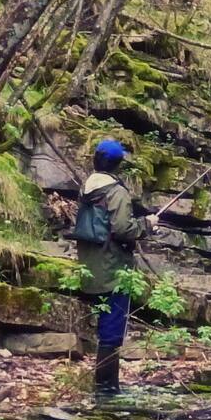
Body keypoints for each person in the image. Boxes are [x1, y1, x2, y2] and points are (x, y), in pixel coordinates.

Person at [72, 139, 157, 397]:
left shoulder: (87, 188)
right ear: (118, 164)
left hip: (90, 266)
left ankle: (104, 386)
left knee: (103, 324)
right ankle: (107, 389)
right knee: (112, 328)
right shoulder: (116, 192)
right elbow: (122, 229)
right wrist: (148, 224)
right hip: (113, 269)